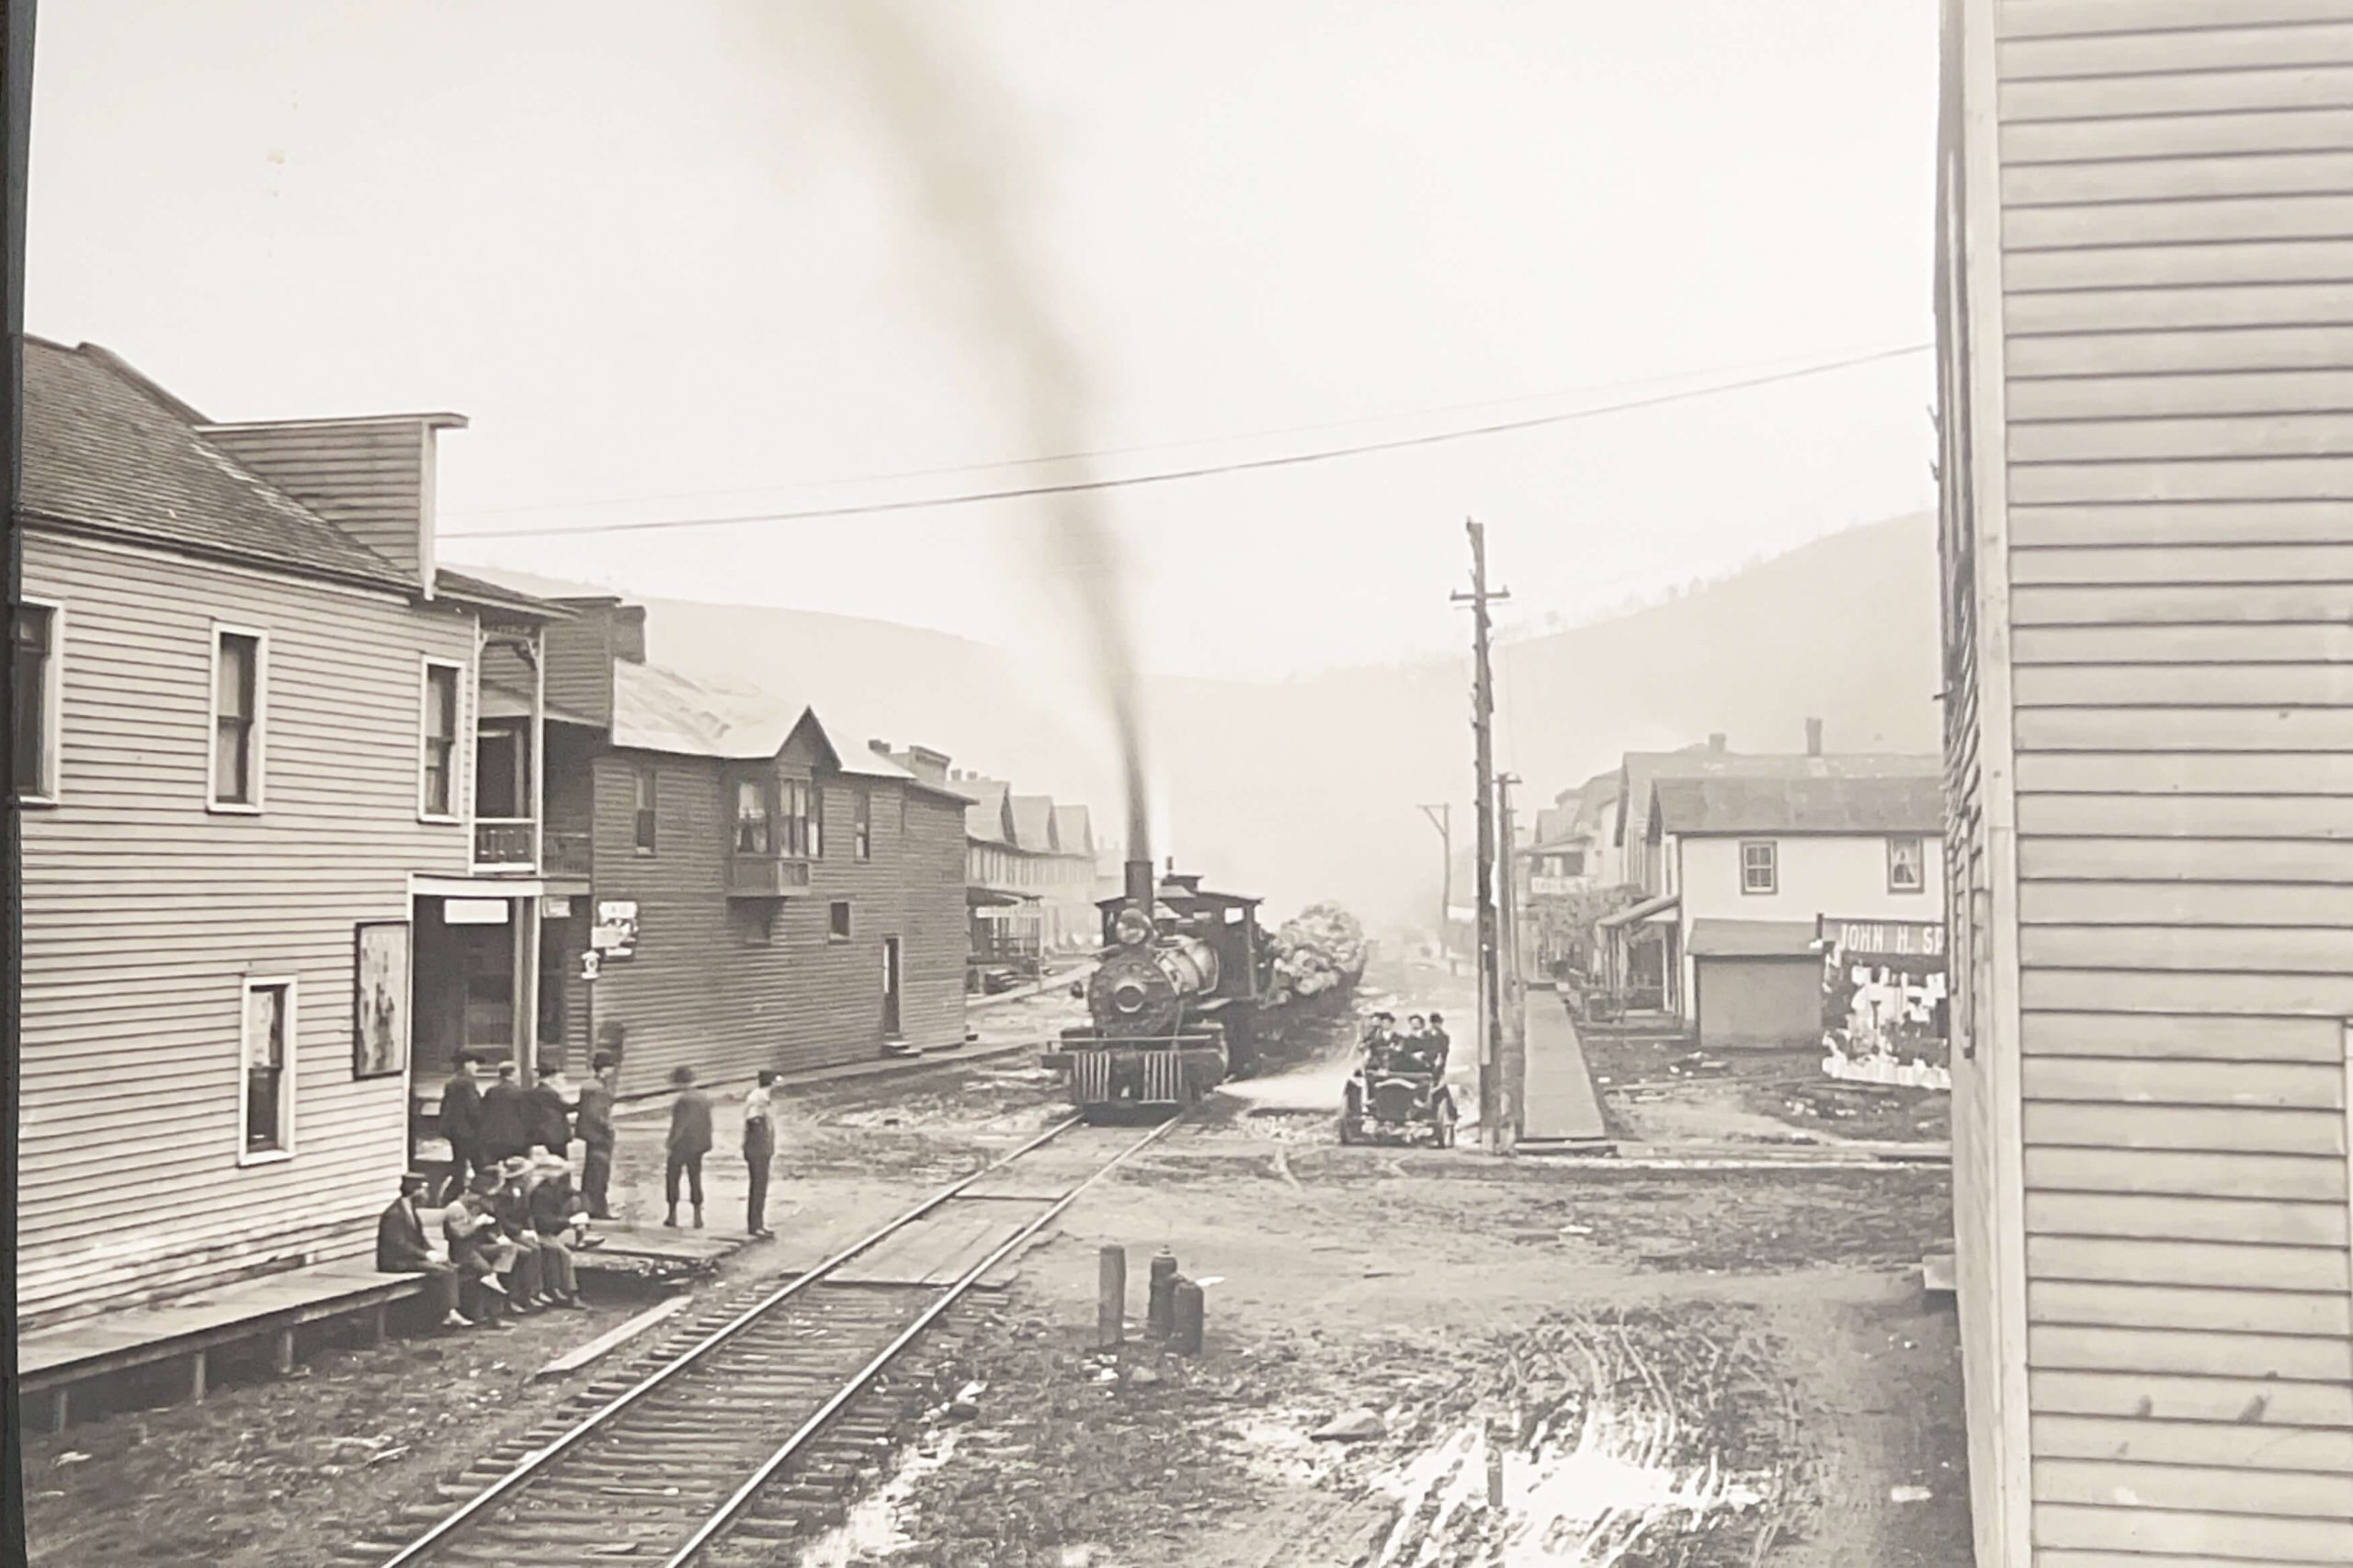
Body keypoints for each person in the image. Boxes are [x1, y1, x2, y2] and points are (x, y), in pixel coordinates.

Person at [376, 1173, 472, 1331]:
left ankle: (449, 1310)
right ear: (415, 1191)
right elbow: (400, 1244)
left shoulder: (410, 1210)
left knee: (450, 1266)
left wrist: (433, 1251)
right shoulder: (395, 1214)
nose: (426, 1194)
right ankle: (447, 1313)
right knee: (441, 1272)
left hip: (409, 1257)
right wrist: (425, 1255)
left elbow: (420, 1238)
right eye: (424, 1189)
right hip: (395, 1261)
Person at [442, 1178, 513, 1326]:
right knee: (486, 1272)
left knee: (508, 1249)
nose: (478, 1200)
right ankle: (495, 1315)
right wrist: (477, 1222)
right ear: (465, 1193)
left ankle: (496, 1273)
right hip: (462, 1252)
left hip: (474, 1248)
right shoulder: (455, 1209)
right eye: (475, 1196)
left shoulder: (468, 1208)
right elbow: (460, 1233)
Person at [524, 1151, 589, 1308]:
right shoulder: (540, 1193)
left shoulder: (558, 1186)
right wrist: (568, 1221)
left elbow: (580, 1195)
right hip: (539, 1231)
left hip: (553, 1227)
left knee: (574, 1202)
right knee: (563, 1254)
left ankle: (557, 1289)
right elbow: (542, 1221)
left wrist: (581, 1213)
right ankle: (570, 1293)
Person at [489, 1158, 549, 1312]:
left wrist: (531, 1230)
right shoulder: (502, 1195)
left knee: (537, 1248)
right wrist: (519, 1232)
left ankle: (532, 1292)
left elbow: (527, 1214)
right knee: (526, 1253)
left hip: (518, 1231)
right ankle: (515, 1296)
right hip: (506, 1233)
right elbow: (501, 1219)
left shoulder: (522, 1192)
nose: (529, 1177)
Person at [665, 1065, 712, 1229]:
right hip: (698, 1146)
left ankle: (672, 1215)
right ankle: (697, 1216)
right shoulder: (703, 1097)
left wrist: (670, 1142)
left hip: (681, 1145)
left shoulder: (683, 1100)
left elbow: (680, 1125)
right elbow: (707, 1123)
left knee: (673, 1178)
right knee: (695, 1178)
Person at [577, 1054, 619, 1220]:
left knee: (591, 1171)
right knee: (600, 1172)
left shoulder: (589, 1085)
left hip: (590, 1134)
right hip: (599, 1135)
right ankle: (599, 1209)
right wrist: (607, 1126)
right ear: (605, 1068)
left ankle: (588, 1206)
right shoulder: (598, 1088)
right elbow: (596, 1112)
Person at [438, 1054, 484, 1205]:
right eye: (474, 1063)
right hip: (468, 1131)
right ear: (466, 1064)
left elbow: (446, 1107)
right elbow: (473, 1108)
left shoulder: (452, 1082)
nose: (477, 1067)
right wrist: (481, 1123)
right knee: (479, 1165)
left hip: (455, 1130)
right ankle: (479, 1195)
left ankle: (451, 1196)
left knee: (459, 1164)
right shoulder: (467, 1083)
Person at [744, 1069, 778, 1240]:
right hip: (758, 1152)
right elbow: (754, 1124)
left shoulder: (760, 1097)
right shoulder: (759, 1100)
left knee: (759, 1187)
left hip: (760, 1151)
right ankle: (755, 1225)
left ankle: (758, 1223)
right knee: (758, 1187)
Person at [476, 1061, 531, 1166]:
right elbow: (526, 1116)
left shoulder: (491, 1092)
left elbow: (483, 1111)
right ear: (512, 1075)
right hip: (515, 1139)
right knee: (516, 1169)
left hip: (492, 1138)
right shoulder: (520, 1093)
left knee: (495, 1170)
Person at [525, 1061, 573, 1162]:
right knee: (560, 1162)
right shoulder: (549, 1093)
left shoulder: (534, 1092)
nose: (563, 1081)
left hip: (542, 1132)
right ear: (552, 1078)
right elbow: (565, 1107)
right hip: (554, 1135)